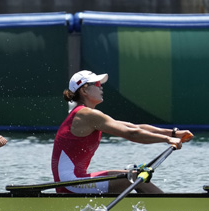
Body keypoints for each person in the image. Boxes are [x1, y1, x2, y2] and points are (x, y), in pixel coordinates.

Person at [52, 70, 193, 194]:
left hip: (75, 182)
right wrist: (167, 140)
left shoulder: (87, 114)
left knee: (135, 176)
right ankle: (169, 210)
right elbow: (131, 134)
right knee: (135, 178)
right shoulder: (86, 115)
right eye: (97, 84)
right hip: (71, 184)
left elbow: (133, 127)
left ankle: (162, 207)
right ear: (84, 90)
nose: (101, 87)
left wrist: (173, 134)